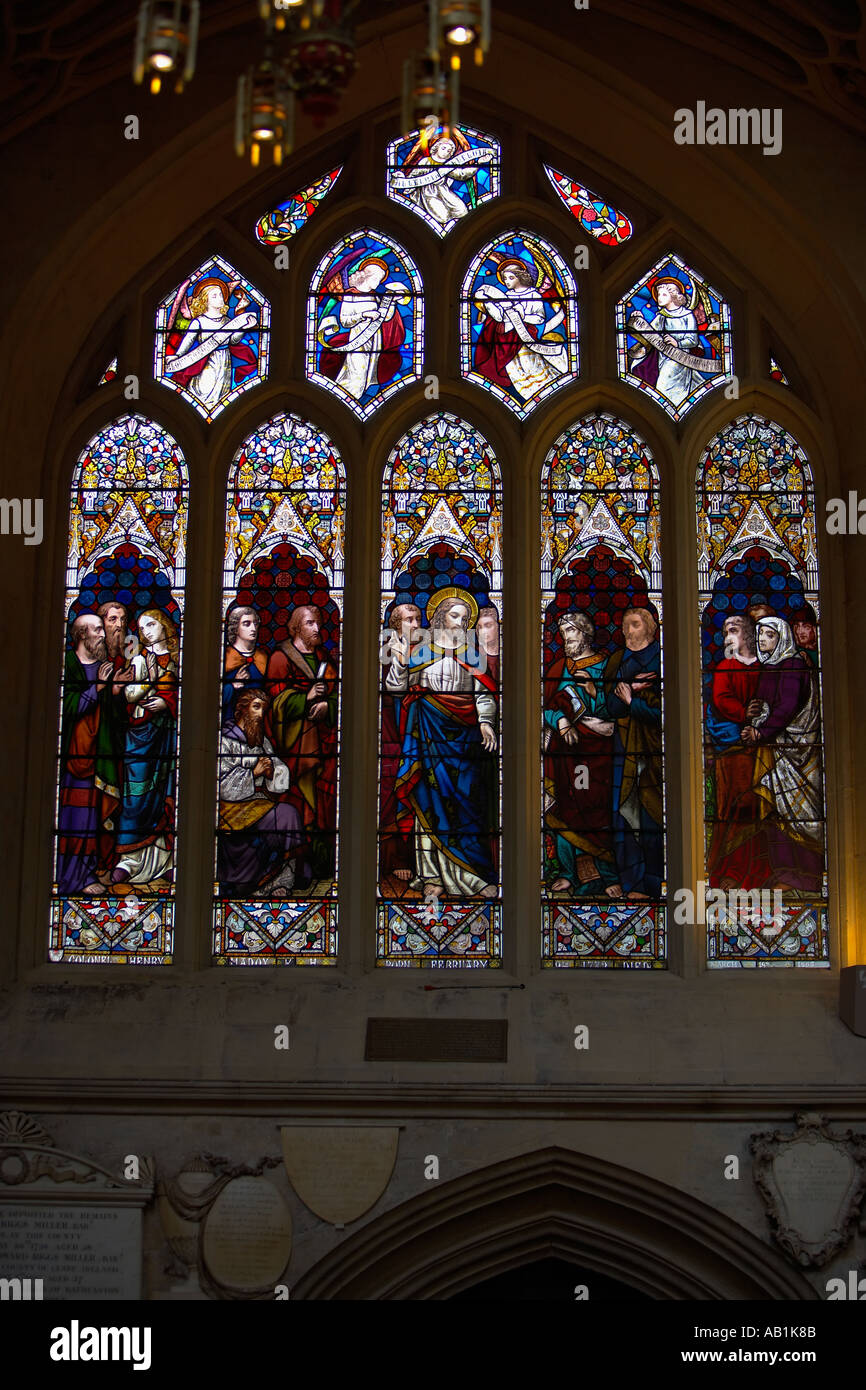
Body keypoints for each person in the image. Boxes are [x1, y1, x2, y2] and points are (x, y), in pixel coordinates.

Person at [387, 589, 498, 898]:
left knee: (465, 804)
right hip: (427, 733)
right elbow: (396, 688)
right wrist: (397, 661)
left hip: (464, 739)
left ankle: (470, 876)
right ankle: (432, 875)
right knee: (428, 800)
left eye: (465, 618)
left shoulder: (473, 654)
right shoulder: (421, 651)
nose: (460, 623)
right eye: (454, 616)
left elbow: (484, 693)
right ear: (438, 618)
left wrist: (486, 723)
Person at [738, 616, 824, 892]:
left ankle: (807, 876)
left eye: (769, 635)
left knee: (801, 814)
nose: (762, 640)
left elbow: (787, 708)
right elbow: (763, 706)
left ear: (783, 638)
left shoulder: (793, 666)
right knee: (776, 810)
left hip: (797, 751)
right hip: (776, 752)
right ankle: (784, 872)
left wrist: (761, 733)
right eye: (760, 635)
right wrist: (752, 714)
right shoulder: (769, 667)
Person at [542, 611, 618, 895]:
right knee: (565, 809)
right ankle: (568, 873)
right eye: (562, 634)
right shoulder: (557, 668)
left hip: (599, 754)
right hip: (566, 754)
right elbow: (543, 708)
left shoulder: (607, 666)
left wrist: (593, 691)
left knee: (598, 812)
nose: (565, 639)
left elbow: (616, 710)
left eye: (570, 632)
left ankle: (608, 873)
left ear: (585, 634)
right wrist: (560, 721)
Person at [266, 605, 338, 883]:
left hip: (323, 748)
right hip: (293, 749)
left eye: (318, 623)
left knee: (321, 806)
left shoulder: (323, 659)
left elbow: (338, 696)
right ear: (296, 628)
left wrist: (325, 705)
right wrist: (305, 698)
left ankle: (318, 865)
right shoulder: (280, 659)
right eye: (309, 623)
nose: (317, 629)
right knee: (296, 803)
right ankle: (292, 867)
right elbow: (274, 702)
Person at [112, 609, 179, 887]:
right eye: (142, 627)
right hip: (140, 735)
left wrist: (168, 702)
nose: (147, 631)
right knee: (135, 796)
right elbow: (129, 694)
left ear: (164, 626)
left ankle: (165, 860)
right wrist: (152, 681)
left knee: (165, 791)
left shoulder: (178, 659)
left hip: (167, 734)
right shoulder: (141, 658)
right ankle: (128, 861)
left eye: (152, 624)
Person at [56, 614, 122, 896]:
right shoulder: (69, 664)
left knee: (94, 819)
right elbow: (67, 705)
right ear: (81, 635)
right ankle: (71, 879)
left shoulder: (104, 668)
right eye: (96, 630)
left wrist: (115, 690)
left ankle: (90, 872)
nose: (101, 635)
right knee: (74, 819)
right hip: (75, 758)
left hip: (101, 756)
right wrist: (97, 689)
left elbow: (113, 716)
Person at [217, 691, 303, 898]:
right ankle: (246, 883)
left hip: (257, 805)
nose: (260, 713)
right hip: (229, 810)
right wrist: (253, 773)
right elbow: (220, 785)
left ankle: (279, 880)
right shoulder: (224, 740)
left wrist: (272, 771)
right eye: (256, 707)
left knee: (288, 814)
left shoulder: (260, 740)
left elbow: (277, 767)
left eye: (263, 709)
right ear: (242, 709)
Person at [603, 606, 663, 898]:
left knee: (653, 815)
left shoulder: (662, 659)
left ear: (650, 628)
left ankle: (653, 883)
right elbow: (609, 706)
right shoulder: (617, 660)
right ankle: (632, 883)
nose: (628, 631)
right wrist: (629, 694)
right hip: (624, 747)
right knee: (623, 814)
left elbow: (668, 714)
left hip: (655, 750)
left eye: (635, 625)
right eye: (625, 625)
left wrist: (631, 701)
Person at [705, 614, 763, 887]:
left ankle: (759, 872)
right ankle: (730, 869)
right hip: (732, 750)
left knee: (760, 807)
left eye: (734, 630)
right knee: (732, 807)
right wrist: (743, 712)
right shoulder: (725, 666)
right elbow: (720, 699)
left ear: (749, 634)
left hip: (762, 749)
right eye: (726, 631)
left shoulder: (765, 666)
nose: (729, 636)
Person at [472, 253, 569, 402]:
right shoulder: (506, 295)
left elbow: (539, 318)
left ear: (521, 277)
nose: (507, 282)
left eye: (511, 278)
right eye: (505, 279)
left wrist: (522, 317)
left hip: (527, 337)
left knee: (533, 369)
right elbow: (499, 317)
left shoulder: (534, 295)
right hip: (506, 338)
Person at [316, 254, 409, 403]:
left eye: (379, 279)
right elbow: (345, 321)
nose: (377, 282)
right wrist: (364, 315)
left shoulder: (376, 297)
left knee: (367, 375)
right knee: (357, 371)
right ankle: (346, 401)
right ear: (366, 276)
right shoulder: (350, 296)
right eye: (375, 277)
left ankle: (351, 400)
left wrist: (391, 303)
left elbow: (385, 317)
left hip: (375, 342)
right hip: (358, 341)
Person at [164, 278, 258, 415]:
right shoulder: (199, 322)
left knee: (223, 396)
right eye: (215, 295)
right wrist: (177, 357)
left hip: (224, 362)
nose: (220, 298)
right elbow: (187, 342)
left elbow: (233, 341)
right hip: (205, 363)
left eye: (221, 295)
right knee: (203, 392)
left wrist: (244, 328)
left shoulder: (227, 321)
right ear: (205, 300)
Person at [379, 603, 423, 885]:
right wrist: (403, 658)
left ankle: (420, 860)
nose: (416, 623)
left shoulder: (426, 646)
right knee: (393, 789)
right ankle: (396, 857)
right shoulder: (388, 649)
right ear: (396, 625)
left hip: (418, 727)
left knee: (419, 788)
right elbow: (393, 687)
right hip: (392, 729)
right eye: (409, 619)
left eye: (418, 618)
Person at [628, 276, 719, 410]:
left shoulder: (688, 315)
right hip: (663, 358)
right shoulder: (661, 316)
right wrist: (639, 320)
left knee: (664, 388)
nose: (659, 297)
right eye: (659, 294)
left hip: (680, 360)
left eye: (664, 294)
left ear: (673, 296)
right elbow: (650, 334)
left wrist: (677, 343)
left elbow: (693, 340)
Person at [390, 129, 494, 230]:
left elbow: (462, 175)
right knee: (443, 218)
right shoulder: (425, 162)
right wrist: (402, 179)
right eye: (443, 148)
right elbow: (413, 177)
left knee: (462, 212)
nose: (446, 152)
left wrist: (478, 163)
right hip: (428, 194)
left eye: (449, 150)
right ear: (436, 148)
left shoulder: (448, 165)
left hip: (444, 191)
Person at [222, 605, 268, 720]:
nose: (253, 628)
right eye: (247, 624)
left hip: (260, 721)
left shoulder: (263, 657)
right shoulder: (225, 656)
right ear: (235, 628)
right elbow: (208, 696)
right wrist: (233, 686)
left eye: (255, 624)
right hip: (230, 722)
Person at [792, 603, 819, 669]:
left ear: (814, 629)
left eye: (806, 626)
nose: (800, 631)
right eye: (797, 626)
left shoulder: (823, 651)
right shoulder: (795, 653)